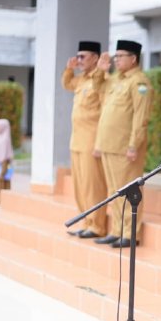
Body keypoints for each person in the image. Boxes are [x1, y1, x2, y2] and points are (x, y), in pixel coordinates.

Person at [93, 40, 152, 249]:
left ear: (133, 58)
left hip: (125, 147)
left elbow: (141, 116)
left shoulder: (139, 82)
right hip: (109, 145)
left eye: (120, 56)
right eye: (115, 57)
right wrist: (100, 70)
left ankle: (130, 233)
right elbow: (97, 87)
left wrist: (134, 144)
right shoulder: (116, 80)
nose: (116, 60)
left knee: (128, 191)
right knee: (114, 191)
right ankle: (117, 230)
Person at [61, 41, 108, 239]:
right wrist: (69, 70)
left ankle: (97, 225)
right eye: (77, 56)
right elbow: (67, 84)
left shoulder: (101, 79)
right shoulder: (81, 80)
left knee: (93, 185)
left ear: (95, 58)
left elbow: (105, 112)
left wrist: (100, 143)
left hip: (91, 140)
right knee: (80, 186)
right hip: (76, 141)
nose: (79, 60)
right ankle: (87, 222)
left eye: (83, 57)